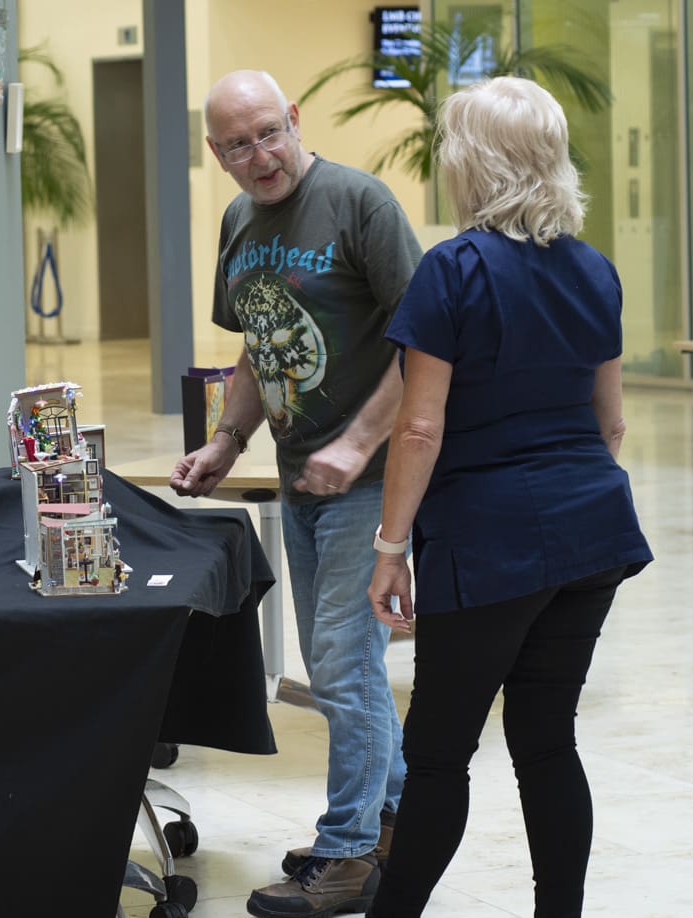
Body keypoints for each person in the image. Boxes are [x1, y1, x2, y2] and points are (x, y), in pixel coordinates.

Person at [364, 76, 653, 917]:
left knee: (440, 753)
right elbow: (612, 424)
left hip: (489, 544)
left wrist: (391, 549)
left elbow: (419, 431)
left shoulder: (452, 271)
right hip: (593, 533)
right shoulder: (595, 272)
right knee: (546, 738)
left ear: (470, 164)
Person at [170, 69, 422, 918]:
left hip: (370, 478)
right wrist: (225, 439)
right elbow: (256, 352)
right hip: (300, 472)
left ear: (295, 120)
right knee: (333, 667)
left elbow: (427, 345)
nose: (259, 154)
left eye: (270, 132)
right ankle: (392, 824)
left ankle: (349, 854)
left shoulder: (361, 204)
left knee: (346, 672)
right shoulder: (240, 220)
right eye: (238, 144)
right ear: (217, 153)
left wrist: (358, 444)